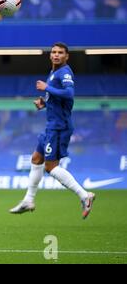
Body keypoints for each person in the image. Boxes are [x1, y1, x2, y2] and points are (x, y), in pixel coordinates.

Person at [9, 42, 96, 219]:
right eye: (54, 52)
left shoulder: (64, 72)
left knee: (51, 167)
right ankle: (28, 199)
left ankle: (84, 196)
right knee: (36, 158)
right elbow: (59, 98)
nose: (56, 55)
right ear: (50, 55)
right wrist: (45, 102)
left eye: (60, 53)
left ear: (66, 56)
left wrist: (47, 88)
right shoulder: (54, 72)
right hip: (51, 126)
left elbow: (69, 93)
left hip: (59, 127)